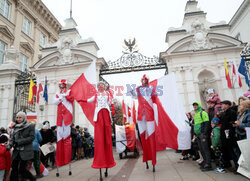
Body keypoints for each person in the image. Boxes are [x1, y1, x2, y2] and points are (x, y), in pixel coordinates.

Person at [80, 81, 116, 178]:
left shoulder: (108, 94)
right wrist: (82, 100)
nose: (101, 87)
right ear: (98, 87)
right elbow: (89, 100)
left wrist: (113, 110)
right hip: (99, 115)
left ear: (104, 87)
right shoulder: (96, 95)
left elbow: (111, 103)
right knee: (100, 138)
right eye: (99, 86)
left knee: (107, 139)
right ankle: (100, 161)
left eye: (102, 85)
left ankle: (108, 161)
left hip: (106, 115)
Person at [130, 74, 157, 172]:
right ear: (141, 80)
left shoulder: (151, 88)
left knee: (151, 138)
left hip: (150, 115)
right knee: (143, 138)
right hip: (141, 115)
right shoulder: (138, 89)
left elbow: (155, 99)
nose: (144, 81)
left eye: (146, 79)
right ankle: (146, 158)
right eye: (143, 79)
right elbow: (135, 97)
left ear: (148, 80)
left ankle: (153, 160)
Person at [8, 111, 36, 181]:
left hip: (26, 151)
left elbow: (31, 138)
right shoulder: (14, 126)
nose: (18, 119)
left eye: (20, 117)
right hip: (16, 151)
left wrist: (19, 142)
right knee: (14, 169)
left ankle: (32, 178)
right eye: (17, 117)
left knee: (22, 169)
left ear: (24, 118)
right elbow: (12, 138)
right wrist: (9, 146)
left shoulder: (30, 126)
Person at [53, 79, 74, 169]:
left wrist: (66, 96)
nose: (61, 86)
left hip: (67, 117)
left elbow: (72, 99)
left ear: (65, 85)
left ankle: (67, 158)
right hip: (60, 118)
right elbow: (55, 102)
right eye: (60, 85)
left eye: (63, 84)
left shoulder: (69, 92)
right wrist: (61, 97)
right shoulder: (57, 94)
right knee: (60, 138)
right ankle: (60, 159)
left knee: (67, 138)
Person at [219, 100, 239, 170]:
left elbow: (231, 123)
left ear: (227, 105)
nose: (221, 106)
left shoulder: (231, 112)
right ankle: (235, 166)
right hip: (226, 134)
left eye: (223, 104)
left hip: (231, 134)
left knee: (234, 151)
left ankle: (238, 166)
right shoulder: (224, 113)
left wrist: (229, 132)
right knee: (230, 151)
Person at [192, 102, 212, 171]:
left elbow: (207, 123)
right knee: (201, 149)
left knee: (205, 149)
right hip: (198, 135)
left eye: (196, 105)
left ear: (199, 105)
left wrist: (204, 133)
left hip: (202, 134)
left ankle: (208, 164)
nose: (195, 106)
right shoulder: (196, 114)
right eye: (194, 105)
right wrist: (195, 133)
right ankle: (205, 162)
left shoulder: (203, 113)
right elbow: (195, 125)